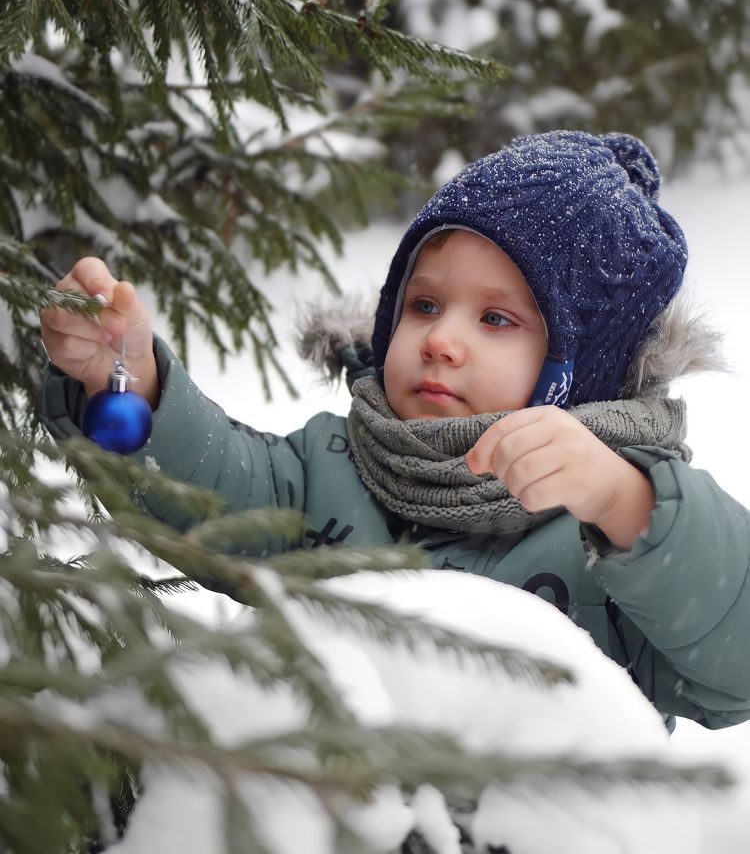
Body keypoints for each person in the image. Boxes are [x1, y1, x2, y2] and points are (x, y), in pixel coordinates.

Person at [39, 129, 750, 729]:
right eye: (424, 304)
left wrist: (624, 502)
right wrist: (127, 383)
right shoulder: (334, 464)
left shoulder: (611, 537)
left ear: (580, 368)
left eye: (496, 319)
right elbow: (217, 490)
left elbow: (734, 665)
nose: (441, 340)